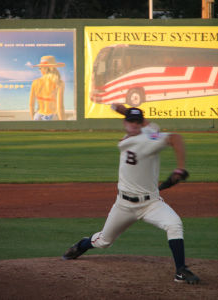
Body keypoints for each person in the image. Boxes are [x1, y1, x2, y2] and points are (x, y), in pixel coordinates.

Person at [62, 107, 200, 284]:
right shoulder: (145, 134)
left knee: (174, 224)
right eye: (130, 121)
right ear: (125, 123)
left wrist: (180, 168)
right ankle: (81, 245)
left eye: (137, 121)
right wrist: (124, 110)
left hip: (151, 203)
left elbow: (176, 138)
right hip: (124, 205)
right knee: (104, 241)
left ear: (141, 123)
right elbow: (149, 127)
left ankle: (181, 270)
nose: (134, 124)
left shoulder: (149, 137)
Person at [29, 55, 65, 121]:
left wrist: (33, 120)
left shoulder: (35, 82)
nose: (40, 70)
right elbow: (60, 108)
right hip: (51, 117)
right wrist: (63, 124)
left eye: (40, 68)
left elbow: (31, 105)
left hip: (37, 116)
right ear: (54, 68)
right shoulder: (59, 83)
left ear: (44, 68)